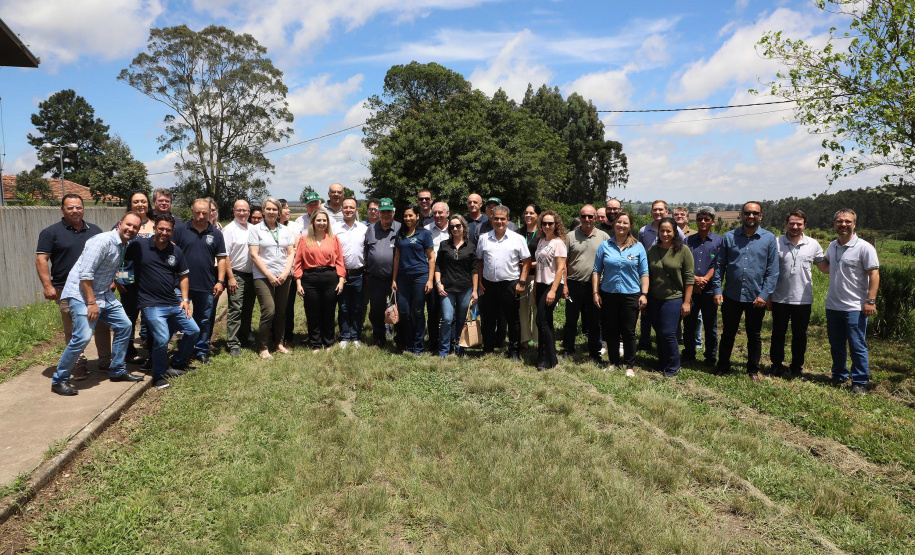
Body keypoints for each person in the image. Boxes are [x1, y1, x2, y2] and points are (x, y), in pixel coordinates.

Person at [50, 213, 145, 395]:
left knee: (125, 325)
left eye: (135, 227)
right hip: (81, 294)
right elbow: (85, 274)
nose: (131, 229)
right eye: (128, 225)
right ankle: (59, 380)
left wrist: (111, 280)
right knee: (82, 337)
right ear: (120, 224)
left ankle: (117, 370)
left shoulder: (124, 244)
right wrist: (91, 303)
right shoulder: (102, 241)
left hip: (103, 293)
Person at [36, 194, 110, 381]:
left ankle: (105, 361)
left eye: (78, 207)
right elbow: (41, 259)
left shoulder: (95, 231)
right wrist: (47, 286)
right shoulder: (50, 232)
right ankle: (79, 363)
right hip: (66, 289)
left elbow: (106, 257)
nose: (75, 211)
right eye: (70, 208)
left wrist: (112, 278)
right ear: (62, 210)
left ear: (83, 208)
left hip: (95, 287)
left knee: (101, 325)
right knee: (73, 329)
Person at [126, 214, 200, 390]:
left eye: (168, 230)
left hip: (173, 302)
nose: (164, 232)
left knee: (193, 330)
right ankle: (158, 375)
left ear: (172, 231)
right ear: (154, 228)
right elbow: (121, 261)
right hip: (151, 304)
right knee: (161, 338)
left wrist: (185, 300)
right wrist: (118, 278)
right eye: (161, 228)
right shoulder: (139, 245)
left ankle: (176, 363)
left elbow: (183, 276)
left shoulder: (176, 251)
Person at [714, 202, 779, 382]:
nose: (751, 216)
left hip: (756, 297)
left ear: (761, 216)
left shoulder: (769, 239)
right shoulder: (729, 237)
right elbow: (719, 266)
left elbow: (772, 271)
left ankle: (753, 370)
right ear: (741, 215)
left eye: (755, 213)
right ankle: (723, 366)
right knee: (728, 333)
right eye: (747, 213)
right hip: (731, 295)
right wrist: (717, 290)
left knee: (754, 335)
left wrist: (764, 295)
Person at [823, 209, 880, 396]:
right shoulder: (833, 246)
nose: (843, 224)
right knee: (836, 344)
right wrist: (809, 258)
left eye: (847, 221)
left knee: (857, 345)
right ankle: (839, 376)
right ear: (835, 224)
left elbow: (874, 274)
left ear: (854, 224)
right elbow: (827, 267)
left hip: (855, 307)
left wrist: (870, 301)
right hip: (833, 305)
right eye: (839, 221)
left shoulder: (864, 247)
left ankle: (859, 382)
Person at [768, 210, 827, 379]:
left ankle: (796, 368)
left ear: (805, 225)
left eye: (799, 224)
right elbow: (769, 271)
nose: (795, 227)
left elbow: (824, 268)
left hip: (803, 299)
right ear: (786, 224)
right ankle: (776, 366)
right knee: (778, 334)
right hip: (780, 297)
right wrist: (768, 296)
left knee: (800, 336)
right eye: (792, 223)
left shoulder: (813, 244)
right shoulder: (776, 243)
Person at [592, 211, 648, 377]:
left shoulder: (638, 247)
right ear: (614, 224)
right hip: (608, 293)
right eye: (619, 222)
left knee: (629, 330)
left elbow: (644, 273)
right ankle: (613, 362)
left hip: (631, 294)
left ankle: (629, 365)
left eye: (625, 223)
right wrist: (595, 292)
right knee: (611, 330)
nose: (621, 225)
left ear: (630, 226)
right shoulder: (605, 246)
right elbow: (596, 270)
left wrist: (644, 294)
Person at [173, 199, 227, 364]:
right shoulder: (180, 230)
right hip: (181, 284)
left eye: (205, 212)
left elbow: (222, 259)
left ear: (210, 212)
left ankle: (201, 350)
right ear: (192, 211)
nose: (202, 216)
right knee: (179, 318)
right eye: (198, 212)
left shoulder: (216, 233)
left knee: (204, 319)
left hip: (206, 284)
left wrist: (220, 281)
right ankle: (182, 347)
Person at [476, 205, 531, 361]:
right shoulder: (483, 238)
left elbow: (527, 261)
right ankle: (488, 349)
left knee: (512, 319)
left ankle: (514, 350)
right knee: (488, 318)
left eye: (502, 219)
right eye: (496, 218)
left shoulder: (517, 239)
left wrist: (522, 281)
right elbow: (479, 260)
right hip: (489, 284)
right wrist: (480, 280)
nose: (499, 221)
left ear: (508, 220)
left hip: (510, 284)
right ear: (491, 219)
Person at [249, 197, 296, 360]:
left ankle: (279, 343)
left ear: (279, 212)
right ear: (263, 210)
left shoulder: (284, 230)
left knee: (282, 311)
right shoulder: (256, 230)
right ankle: (263, 347)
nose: (271, 212)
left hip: (283, 276)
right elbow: (254, 255)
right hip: (263, 276)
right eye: (268, 209)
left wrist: (285, 273)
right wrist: (269, 275)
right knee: (269, 310)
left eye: (274, 209)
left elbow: (291, 253)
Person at [647, 217, 694, 377]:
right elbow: (647, 274)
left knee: (668, 332)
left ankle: (673, 366)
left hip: (674, 298)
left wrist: (687, 302)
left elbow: (689, 277)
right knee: (659, 332)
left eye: (669, 231)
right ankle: (662, 361)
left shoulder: (683, 251)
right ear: (658, 232)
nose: (665, 234)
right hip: (654, 298)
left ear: (675, 233)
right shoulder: (652, 251)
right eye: (662, 230)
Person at [113, 190, 156, 366]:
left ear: (148, 204)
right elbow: (115, 254)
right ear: (130, 204)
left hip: (152, 282)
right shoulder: (122, 225)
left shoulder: (156, 224)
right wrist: (117, 279)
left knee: (153, 318)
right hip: (129, 282)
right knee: (128, 319)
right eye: (136, 201)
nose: (140, 204)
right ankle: (128, 351)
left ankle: (154, 352)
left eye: (143, 201)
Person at [562, 204, 609, 364]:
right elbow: (564, 263)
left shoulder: (603, 237)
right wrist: (565, 285)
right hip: (574, 284)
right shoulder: (570, 236)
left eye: (590, 216)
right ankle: (568, 348)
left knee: (594, 321)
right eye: (584, 216)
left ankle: (594, 352)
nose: (587, 219)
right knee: (571, 320)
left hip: (595, 287)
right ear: (579, 217)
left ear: (595, 218)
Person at [637, 200, 686, 351]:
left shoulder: (678, 232)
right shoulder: (643, 231)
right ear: (651, 212)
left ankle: (673, 343)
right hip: (649, 277)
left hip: (670, 281)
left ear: (666, 211)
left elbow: (682, 254)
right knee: (646, 313)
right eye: (655, 210)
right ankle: (645, 342)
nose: (657, 212)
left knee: (670, 318)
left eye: (661, 210)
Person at [295, 210, 346, 352]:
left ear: (328, 222)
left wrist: (341, 280)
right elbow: (298, 262)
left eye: (324, 220)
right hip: (310, 279)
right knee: (312, 312)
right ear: (313, 222)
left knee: (329, 311)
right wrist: (298, 283)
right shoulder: (304, 240)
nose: (322, 223)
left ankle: (328, 341)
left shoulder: (333, 239)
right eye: (319, 220)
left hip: (330, 277)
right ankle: (315, 343)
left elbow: (340, 261)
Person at [682, 206, 723, 367]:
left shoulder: (719, 241)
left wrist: (705, 279)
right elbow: (684, 263)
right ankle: (689, 353)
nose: (703, 222)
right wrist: (694, 280)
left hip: (710, 289)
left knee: (710, 325)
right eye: (700, 219)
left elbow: (719, 263)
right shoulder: (688, 241)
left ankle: (710, 357)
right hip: (691, 289)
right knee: (689, 324)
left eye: (707, 219)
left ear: (712, 221)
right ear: (696, 221)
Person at [392, 205, 435, 354]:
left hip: (420, 276)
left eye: (411, 215)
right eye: (405, 216)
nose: (408, 218)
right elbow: (396, 258)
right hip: (403, 278)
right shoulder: (400, 234)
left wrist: (430, 280)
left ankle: (418, 346)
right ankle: (408, 344)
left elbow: (431, 257)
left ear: (417, 216)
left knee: (417, 312)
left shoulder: (424, 234)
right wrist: (394, 279)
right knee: (404, 311)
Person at [434, 215, 478, 358]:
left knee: (461, 320)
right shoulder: (444, 245)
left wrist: (475, 290)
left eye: (457, 226)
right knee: (447, 319)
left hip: (465, 289)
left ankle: (460, 348)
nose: (454, 229)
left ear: (463, 227)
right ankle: (443, 351)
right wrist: (438, 283)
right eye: (452, 226)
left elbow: (474, 270)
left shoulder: (471, 247)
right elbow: (438, 265)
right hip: (447, 289)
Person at [365, 198, 401, 348]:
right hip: (376, 278)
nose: (385, 214)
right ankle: (379, 339)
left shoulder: (400, 228)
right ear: (378, 213)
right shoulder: (371, 229)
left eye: (388, 211)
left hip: (396, 278)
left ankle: (400, 340)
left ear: (393, 212)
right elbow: (366, 251)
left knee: (399, 309)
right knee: (376, 310)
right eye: (382, 211)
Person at [533, 210, 567, 370]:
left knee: (541, 321)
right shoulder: (541, 241)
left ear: (556, 225)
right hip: (540, 284)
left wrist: (553, 291)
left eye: (550, 223)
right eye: (544, 223)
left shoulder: (558, 243)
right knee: (546, 322)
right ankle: (550, 358)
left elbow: (560, 268)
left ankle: (546, 360)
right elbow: (539, 264)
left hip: (552, 285)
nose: (547, 226)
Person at [223, 199, 256, 356]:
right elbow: (225, 256)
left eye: (245, 210)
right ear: (234, 211)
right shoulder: (229, 230)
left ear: (249, 212)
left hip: (253, 275)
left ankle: (243, 338)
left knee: (248, 309)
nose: (242, 213)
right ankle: (233, 343)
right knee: (236, 309)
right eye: (239, 210)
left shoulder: (253, 228)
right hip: (236, 274)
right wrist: (230, 277)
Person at [335, 198, 368, 348]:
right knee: (342, 306)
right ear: (342, 209)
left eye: (351, 207)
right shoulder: (334, 229)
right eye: (346, 207)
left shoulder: (364, 229)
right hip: (340, 275)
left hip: (359, 273)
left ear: (356, 210)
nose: (348, 210)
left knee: (357, 306)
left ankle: (355, 336)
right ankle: (344, 336)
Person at [425, 201, 451, 350]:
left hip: (451, 275)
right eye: (435, 213)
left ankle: (449, 341)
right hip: (432, 276)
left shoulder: (455, 229)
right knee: (433, 310)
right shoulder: (426, 230)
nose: (438, 215)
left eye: (441, 212)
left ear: (447, 213)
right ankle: (433, 342)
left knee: (449, 313)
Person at [520, 204, 541, 347]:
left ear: (538, 216)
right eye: (526, 213)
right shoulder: (517, 232)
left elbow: (546, 259)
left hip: (537, 276)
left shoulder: (542, 234)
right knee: (522, 309)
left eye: (531, 213)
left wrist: (529, 264)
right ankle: (525, 340)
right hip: (520, 277)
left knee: (536, 308)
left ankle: (538, 339)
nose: (528, 215)